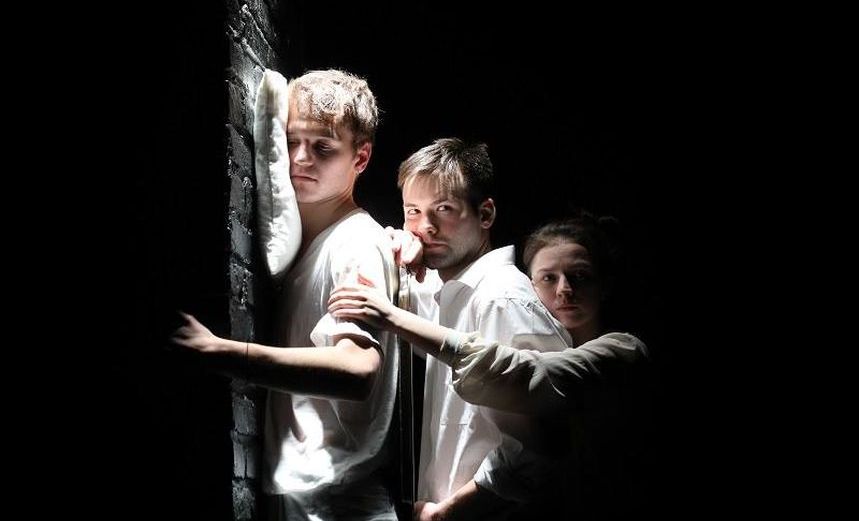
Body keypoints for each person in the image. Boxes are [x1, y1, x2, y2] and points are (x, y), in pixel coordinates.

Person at [171, 69, 401, 521]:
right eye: (292, 141)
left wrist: (221, 352)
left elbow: (357, 371)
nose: (299, 158)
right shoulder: (315, 245)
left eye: (322, 148)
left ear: (361, 157)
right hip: (315, 497)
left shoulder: (356, 243)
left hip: (340, 502)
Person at [329, 213, 651, 520]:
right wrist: (407, 251)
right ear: (531, 287)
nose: (565, 289)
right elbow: (441, 304)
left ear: (603, 285)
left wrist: (392, 318)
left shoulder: (624, 352)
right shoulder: (509, 313)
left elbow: (519, 374)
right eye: (549, 278)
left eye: (580, 276)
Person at [366, 138, 570, 520]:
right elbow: (410, 287)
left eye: (444, 209)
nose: (426, 227)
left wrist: (450, 512)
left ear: (485, 214)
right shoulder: (450, 293)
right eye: (414, 211)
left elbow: (543, 443)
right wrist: (394, 243)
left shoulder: (500, 298)